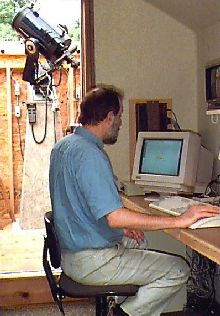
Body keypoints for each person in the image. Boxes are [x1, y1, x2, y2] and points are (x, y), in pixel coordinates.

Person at [49, 85, 220, 316]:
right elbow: (115, 216)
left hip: (70, 253)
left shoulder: (63, 146)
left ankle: (118, 305)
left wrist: (123, 230)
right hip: (91, 261)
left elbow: (79, 206)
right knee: (178, 270)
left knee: (138, 240)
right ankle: (124, 313)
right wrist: (180, 220)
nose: (120, 123)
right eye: (119, 117)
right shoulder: (90, 155)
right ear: (109, 117)